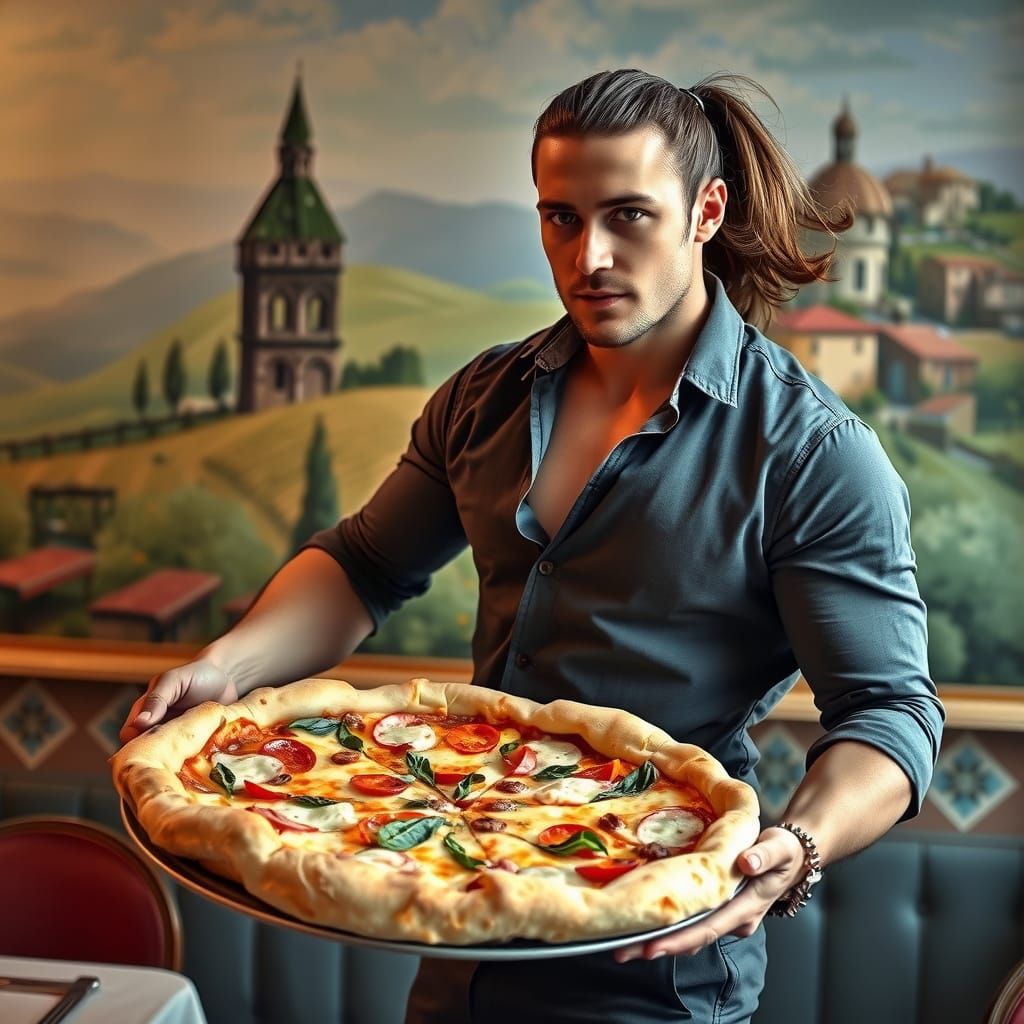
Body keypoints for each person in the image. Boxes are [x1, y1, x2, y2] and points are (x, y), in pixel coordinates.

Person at [121, 69, 944, 1023]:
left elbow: (889, 715)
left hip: (655, 967)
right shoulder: (484, 397)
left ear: (706, 211)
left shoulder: (812, 454)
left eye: (628, 215)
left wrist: (797, 845)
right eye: (560, 217)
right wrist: (225, 667)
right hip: (456, 921)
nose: (587, 254)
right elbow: (363, 566)